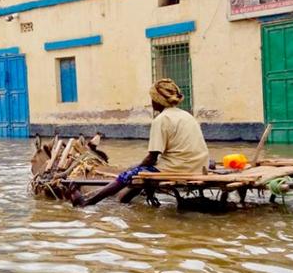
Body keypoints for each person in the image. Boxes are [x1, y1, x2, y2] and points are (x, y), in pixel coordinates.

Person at [71, 79, 209, 207]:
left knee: (128, 175)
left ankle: (88, 202)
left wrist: (132, 170)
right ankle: (124, 200)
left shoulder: (161, 119)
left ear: (158, 100)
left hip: (177, 167)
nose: (151, 102)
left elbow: (152, 158)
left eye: (152, 99)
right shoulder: (186, 115)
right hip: (199, 165)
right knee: (139, 172)